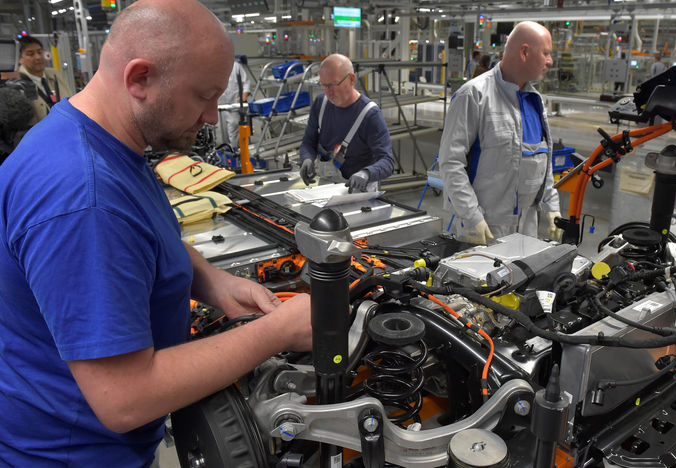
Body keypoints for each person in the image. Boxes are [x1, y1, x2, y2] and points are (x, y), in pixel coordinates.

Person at [0, 1, 312, 466]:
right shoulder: (83, 195)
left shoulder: (99, 139)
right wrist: (275, 333)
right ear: (139, 78)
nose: (211, 116)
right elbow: (124, 398)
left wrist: (213, 283)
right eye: (204, 95)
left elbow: (146, 235)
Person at [439, 21, 561, 245]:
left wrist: (551, 206)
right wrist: (471, 216)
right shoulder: (474, 96)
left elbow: (544, 162)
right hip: (485, 226)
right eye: (545, 53)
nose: (550, 61)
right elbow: (450, 163)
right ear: (524, 52)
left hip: (527, 227)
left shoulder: (535, 102)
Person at [298, 53, 394, 192]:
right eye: (324, 85)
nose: (328, 92)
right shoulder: (321, 104)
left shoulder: (370, 115)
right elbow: (308, 141)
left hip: (359, 192)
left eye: (333, 85)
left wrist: (366, 173)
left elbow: (387, 161)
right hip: (325, 187)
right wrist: (306, 159)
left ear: (351, 79)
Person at [16, 36, 73, 125]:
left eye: (39, 52)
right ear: (19, 59)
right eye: (30, 54)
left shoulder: (54, 74)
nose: (38, 57)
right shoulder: (17, 84)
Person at [217, 56, 251, 147]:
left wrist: (243, 96)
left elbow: (246, 82)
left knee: (233, 132)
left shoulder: (236, 66)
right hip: (220, 107)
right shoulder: (212, 68)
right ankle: (226, 152)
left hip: (234, 106)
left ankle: (235, 152)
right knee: (222, 133)